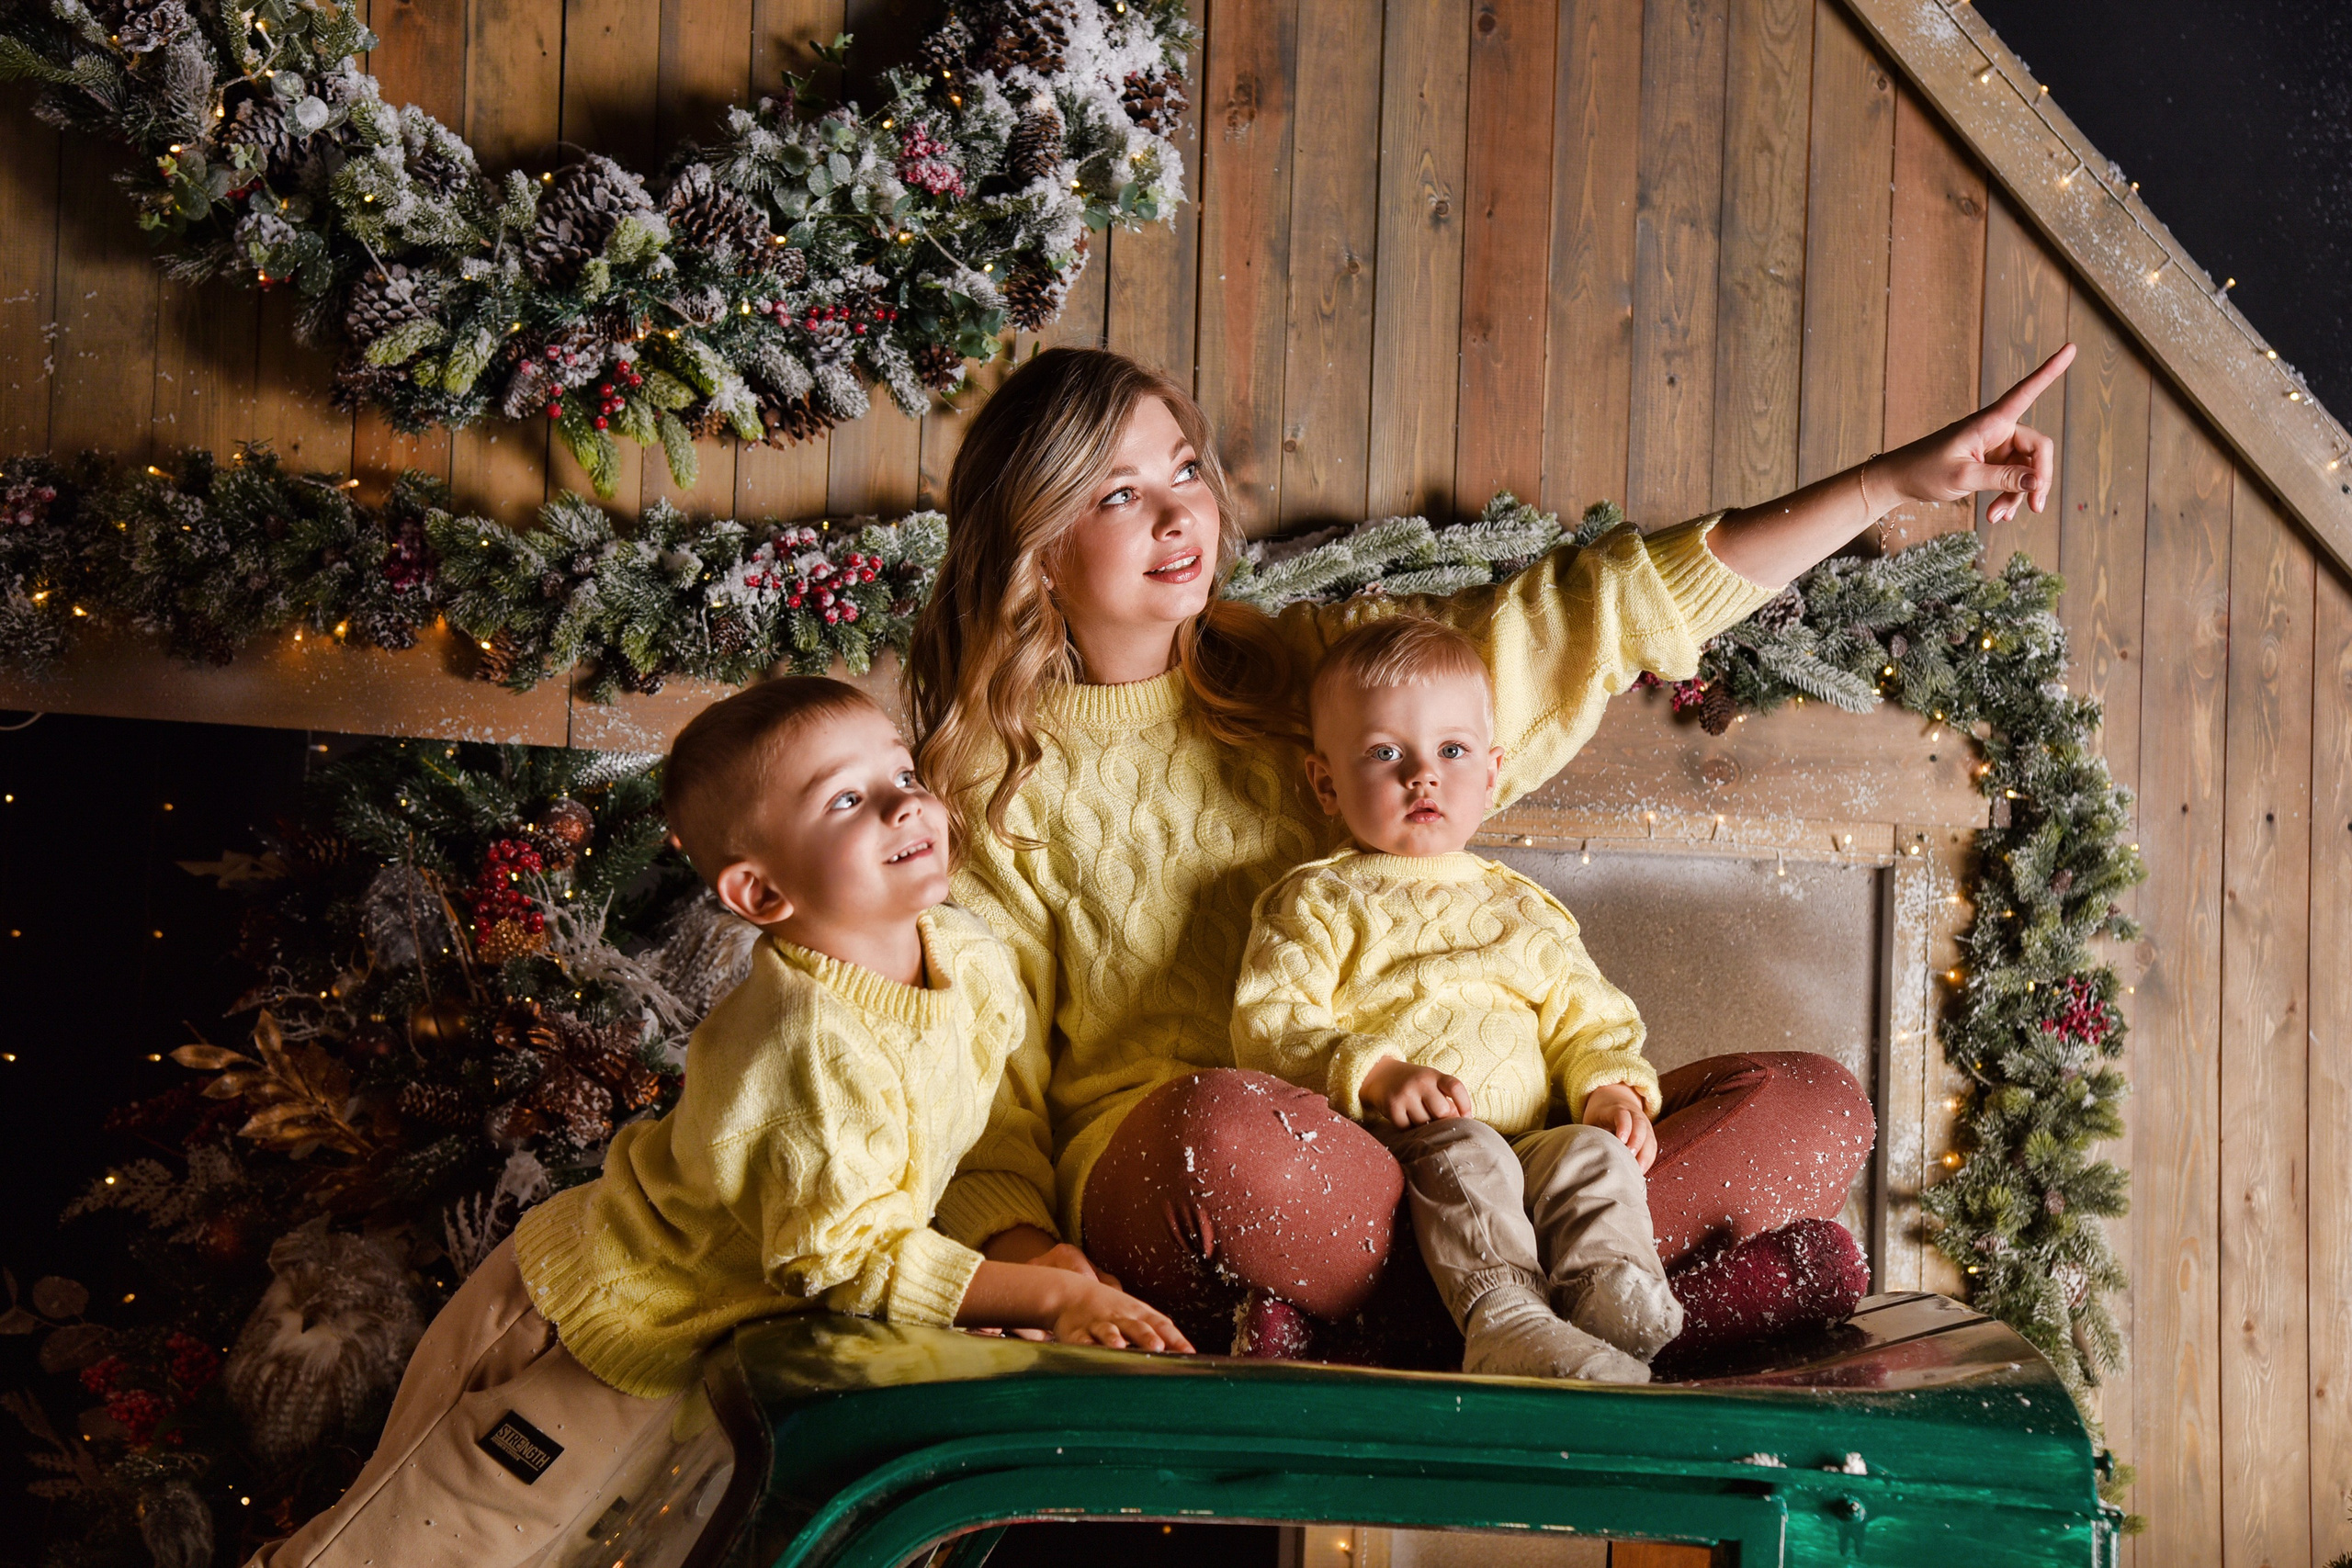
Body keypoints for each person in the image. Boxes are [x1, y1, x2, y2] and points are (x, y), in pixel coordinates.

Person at [910, 343, 2074, 1359]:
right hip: (1259, 1176)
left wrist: (1886, 483)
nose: (1178, 515)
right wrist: (1029, 1262)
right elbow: (982, 1095)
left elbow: (1591, 614)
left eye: (1181, 472)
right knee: (1215, 1132)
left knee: (1813, 1108)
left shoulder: (1313, 676)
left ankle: (1421, 1327)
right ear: (1038, 546)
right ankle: (1611, 1308)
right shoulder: (987, 785)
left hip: (1478, 1155)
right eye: (1119, 495)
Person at [252, 677, 1186, 1568]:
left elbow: (944, 1149)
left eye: (901, 776)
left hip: (704, 1343)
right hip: (592, 1325)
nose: (903, 807)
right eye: (844, 801)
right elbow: (844, 1253)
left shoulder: (968, 961)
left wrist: (1019, 1261)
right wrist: (1047, 1299)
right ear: (761, 896)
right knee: (438, 1540)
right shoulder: (805, 1037)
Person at [1238, 615, 1746, 1384]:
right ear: (1325, 782)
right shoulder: (1316, 900)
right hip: (1393, 1151)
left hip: (1530, 1146)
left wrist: (1609, 1088)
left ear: (1493, 769)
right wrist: (1374, 1074)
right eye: (1385, 753)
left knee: (1591, 1154)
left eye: (1451, 750)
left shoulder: (1523, 909)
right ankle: (1504, 1321)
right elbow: (1270, 1023)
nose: (1423, 775)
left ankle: (1612, 1301)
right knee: (1467, 1151)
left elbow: (1589, 1016)